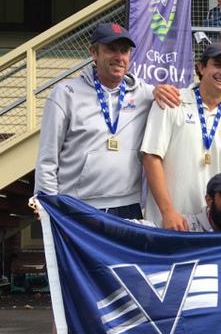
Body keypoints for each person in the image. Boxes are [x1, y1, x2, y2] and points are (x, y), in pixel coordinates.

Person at [34, 22, 180, 219]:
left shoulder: (145, 93)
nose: (119, 57)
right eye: (111, 49)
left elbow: (189, 101)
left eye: (124, 51)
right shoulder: (65, 94)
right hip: (77, 206)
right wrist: (47, 204)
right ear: (94, 52)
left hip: (127, 206)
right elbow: (47, 158)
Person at [141, 43, 221, 230]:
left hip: (210, 226)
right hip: (169, 222)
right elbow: (151, 158)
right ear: (201, 67)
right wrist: (168, 212)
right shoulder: (172, 101)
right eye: (217, 65)